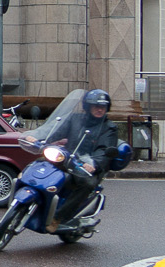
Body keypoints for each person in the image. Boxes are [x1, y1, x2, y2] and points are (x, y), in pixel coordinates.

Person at [37, 89, 120, 220]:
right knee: (41, 165)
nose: (99, 110)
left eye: (102, 107)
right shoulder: (75, 119)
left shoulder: (109, 128)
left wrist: (94, 164)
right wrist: (40, 139)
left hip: (87, 167)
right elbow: (58, 131)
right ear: (88, 107)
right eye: (96, 106)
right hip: (68, 158)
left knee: (87, 184)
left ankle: (58, 218)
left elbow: (104, 150)